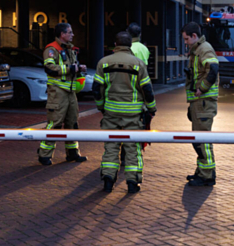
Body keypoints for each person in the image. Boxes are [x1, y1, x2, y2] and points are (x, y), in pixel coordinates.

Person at [93, 31, 155, 194]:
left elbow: (97, 89)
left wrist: (101, 107)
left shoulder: (103, 63)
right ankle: (132, 183)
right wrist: (152, 108)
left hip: (111, 113)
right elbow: (147, 90)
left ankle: (108, 181)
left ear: (115, 45)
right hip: (133, 115)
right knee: (133, 148)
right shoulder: (138, 64)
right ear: (130, 46)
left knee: (111, 147)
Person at [38, 23, 87, 165]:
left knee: (73, 123)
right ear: (62, 34)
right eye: (70, 32)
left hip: (70, 92)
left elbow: (71, 68)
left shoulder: (70, 49)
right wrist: (71, 68)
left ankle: (73, 153)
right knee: (55, 123)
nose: (73, 35)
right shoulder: (52, 49)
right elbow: (49, 68)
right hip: (57, 92)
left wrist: (78, 68)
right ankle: (44, 155)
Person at [182, 22, 219, 186]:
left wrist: (201, 89)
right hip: (199, 102)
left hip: (203, 102)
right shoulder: (198, 49)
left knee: (202, 139)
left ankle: (207, 175)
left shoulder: (204, 49)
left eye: (186, 39)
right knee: (198, 138)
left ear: (194, 36)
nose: (185, 42)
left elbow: (213, 70)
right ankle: (203, 171)